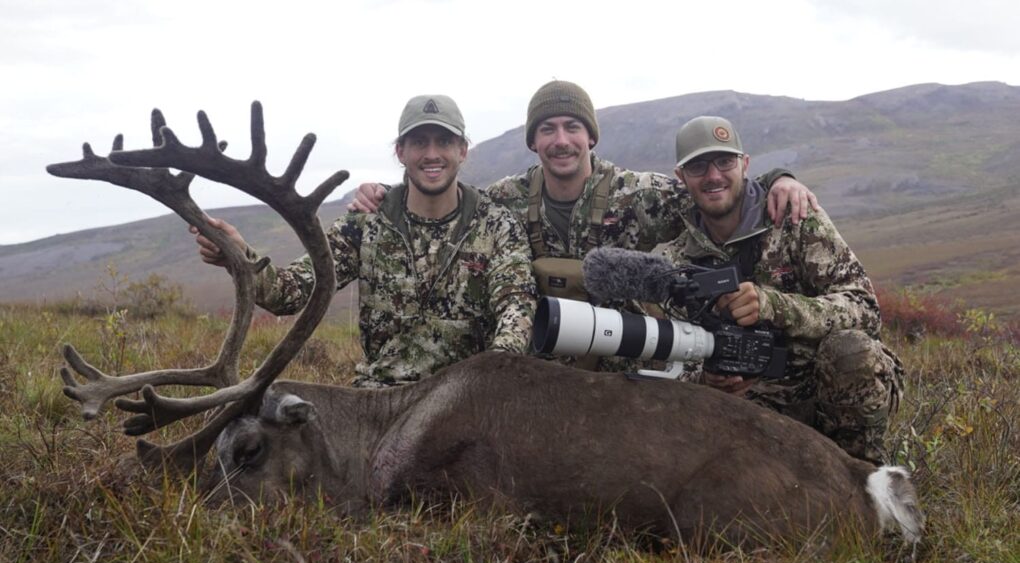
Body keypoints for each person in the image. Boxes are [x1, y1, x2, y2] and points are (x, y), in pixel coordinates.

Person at [352, 81, 819, 370]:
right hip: (536, 358)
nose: (561, 141)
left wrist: (779, 179)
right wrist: (383, 195)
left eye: (572, 128)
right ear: (533, 140)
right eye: (548, 129)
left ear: (590, 136)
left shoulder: (640, 193)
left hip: (625, 357)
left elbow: (714, 183)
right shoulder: (501, 203)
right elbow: (439, 199)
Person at [191, 95, 537, 387]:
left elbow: (516, 306)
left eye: (444, 142)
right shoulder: (366, 222)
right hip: (379, 399)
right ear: (400, 151)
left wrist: (494, 377)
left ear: (462, 150)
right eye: (419, 142)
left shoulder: (497, 224)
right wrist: (239, 255)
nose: (432, 154)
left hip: (464, 397)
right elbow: (289, 292)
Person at [659, 115, 902, 463]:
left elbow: (864, 309)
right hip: (744, 406)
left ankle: (864, 474)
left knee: (851, 351)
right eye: (698, 166)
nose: (713, 176)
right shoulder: (676, 259)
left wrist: (776, 307)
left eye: (724, 161)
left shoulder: (796, 220)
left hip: (821, 389)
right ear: (680, 177)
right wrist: (703, 379)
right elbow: (664, 357)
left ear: (744, 165)